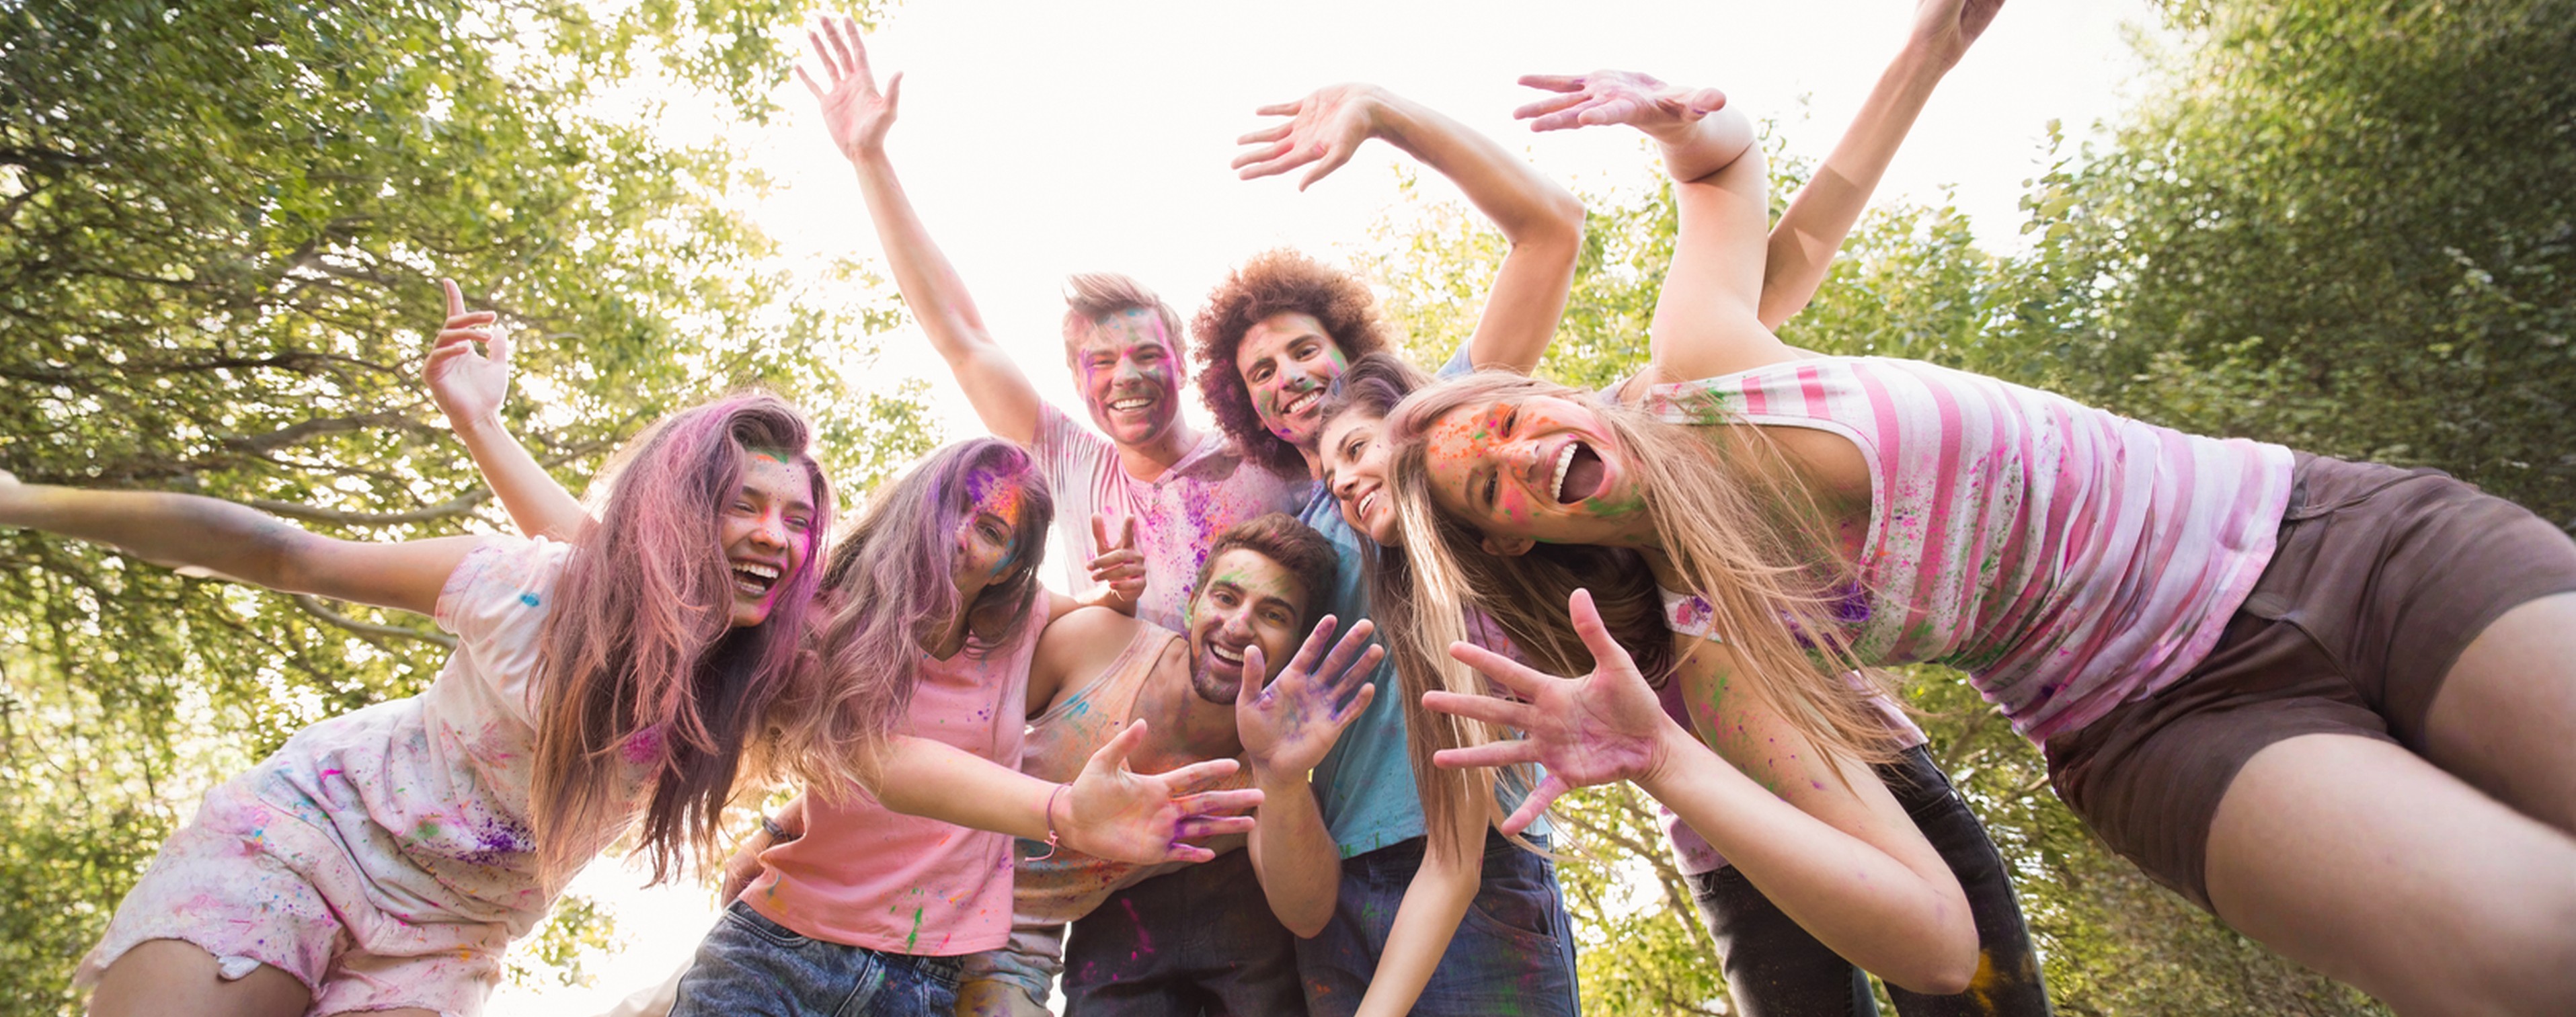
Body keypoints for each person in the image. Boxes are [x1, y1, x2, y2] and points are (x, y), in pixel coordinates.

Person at [1385, 45, 2576, 1017]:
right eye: (1490, 486)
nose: (1516, 452)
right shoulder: (1722, 646)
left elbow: (1723, 169)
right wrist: (1668, 756)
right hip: (2154, 720)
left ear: (1559, 400)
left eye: (1503, 418)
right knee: (2539, 943)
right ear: (1519, 540)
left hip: (2337, 536)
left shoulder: (1709, 363)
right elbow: (1939, 948)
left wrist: (1680, 122)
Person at [425, 284, 1266, 1017]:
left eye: (994, 531)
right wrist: (481, 422)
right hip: (782, 949)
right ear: (917, 504)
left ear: (1013, 563)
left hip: (926, 979)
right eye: (954, 507)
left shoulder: (1023, 632)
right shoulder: (817, 613)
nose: (960, 537)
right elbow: (617, 560)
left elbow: (1133, 637)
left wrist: (1126, 599)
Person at [13, 285, 851, 1017]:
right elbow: (286, 555)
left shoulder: (756, 693)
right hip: (313, 839)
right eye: (744, 505)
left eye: (799, 520)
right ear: (676, 513)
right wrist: (25, 500)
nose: (773, 536)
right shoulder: (527, 588)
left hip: (445, 944)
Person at [1321, 352, 2047, 1017]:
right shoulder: (1471, 632)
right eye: (1331, 483)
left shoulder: (1607, 443)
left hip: (1860, 765)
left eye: (1358, 449)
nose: (1349, 480)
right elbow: (1452, 861)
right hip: (1729, 848)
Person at [1195, 75, 1588, 1017]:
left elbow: (1550, 231)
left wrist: (1380, 114)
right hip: (1339, 883)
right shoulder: (1294, 542)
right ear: (1246, 408)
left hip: (1474, 861)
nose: (1286, 377)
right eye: (1259, 373)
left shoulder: (1431, 437)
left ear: (1344, 347)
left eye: (1299, 349)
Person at [799, 15, 1308, 632]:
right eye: (1100, 361)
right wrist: (867, 157)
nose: (1127, 376)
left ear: (1180, 358)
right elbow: (960, 336)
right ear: (1075, 378)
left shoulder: (1264, 454)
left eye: (1146, 354)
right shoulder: (1072, 461)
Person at [935, 514, 1374, 1016]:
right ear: (1193, 603)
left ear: (1297, 644)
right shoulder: (1098, 643)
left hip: (1011, 951)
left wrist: (1284, 775)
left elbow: (1308, 914)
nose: (1237, 626)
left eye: (1272, 614)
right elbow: (958, 734)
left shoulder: (1259, 778)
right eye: (1226, 597)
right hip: (919, 877)